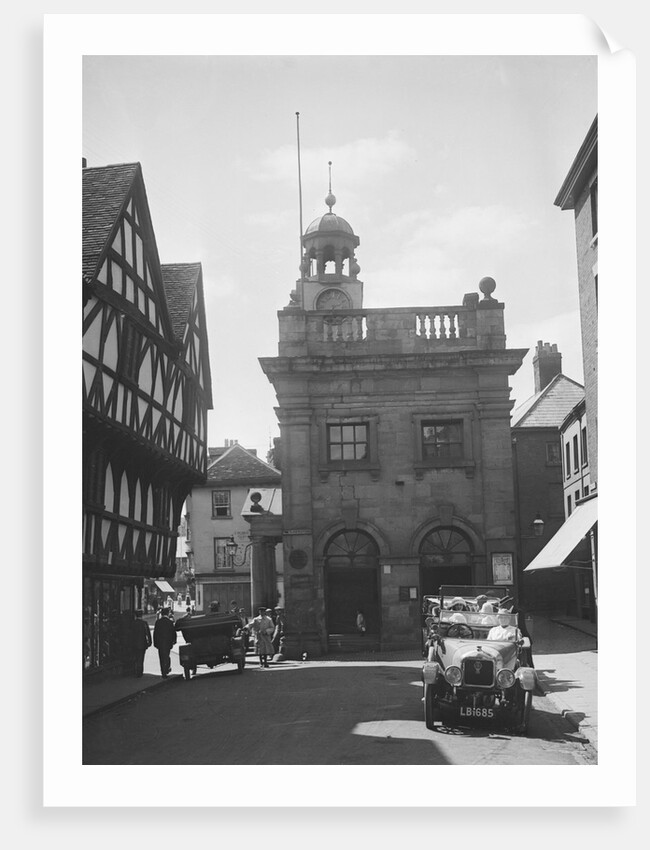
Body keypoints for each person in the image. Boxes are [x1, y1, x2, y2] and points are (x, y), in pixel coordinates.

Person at [153, 607, 177, 677]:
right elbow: (173, 632)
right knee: (167, 656)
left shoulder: (158, 622)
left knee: (161, 657)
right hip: (168, 643)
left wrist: (155, 643)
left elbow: (155, 633)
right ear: (167, 613)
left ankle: (163, 671)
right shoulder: (170, 622)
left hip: (160, 643)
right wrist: (174, 641)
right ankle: (166, 668)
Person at [132, 609, 152, 677]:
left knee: (135, 657)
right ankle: (139, 672)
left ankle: (135, 670)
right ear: (141, 615)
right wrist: (149, 642)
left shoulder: (133, 623)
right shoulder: (144, 623)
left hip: (134, 643)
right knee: (141, 658)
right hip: (142, 644)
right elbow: (148, 633)